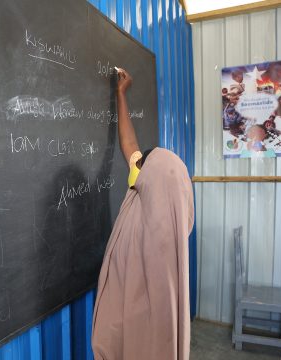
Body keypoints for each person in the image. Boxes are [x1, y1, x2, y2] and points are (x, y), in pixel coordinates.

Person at [92, 68, 194, 360]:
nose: (135, 169)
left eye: (142, 167)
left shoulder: (157, 245)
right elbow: (130, 146)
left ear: (151, 180)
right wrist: (120, 95)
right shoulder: (164, 199)